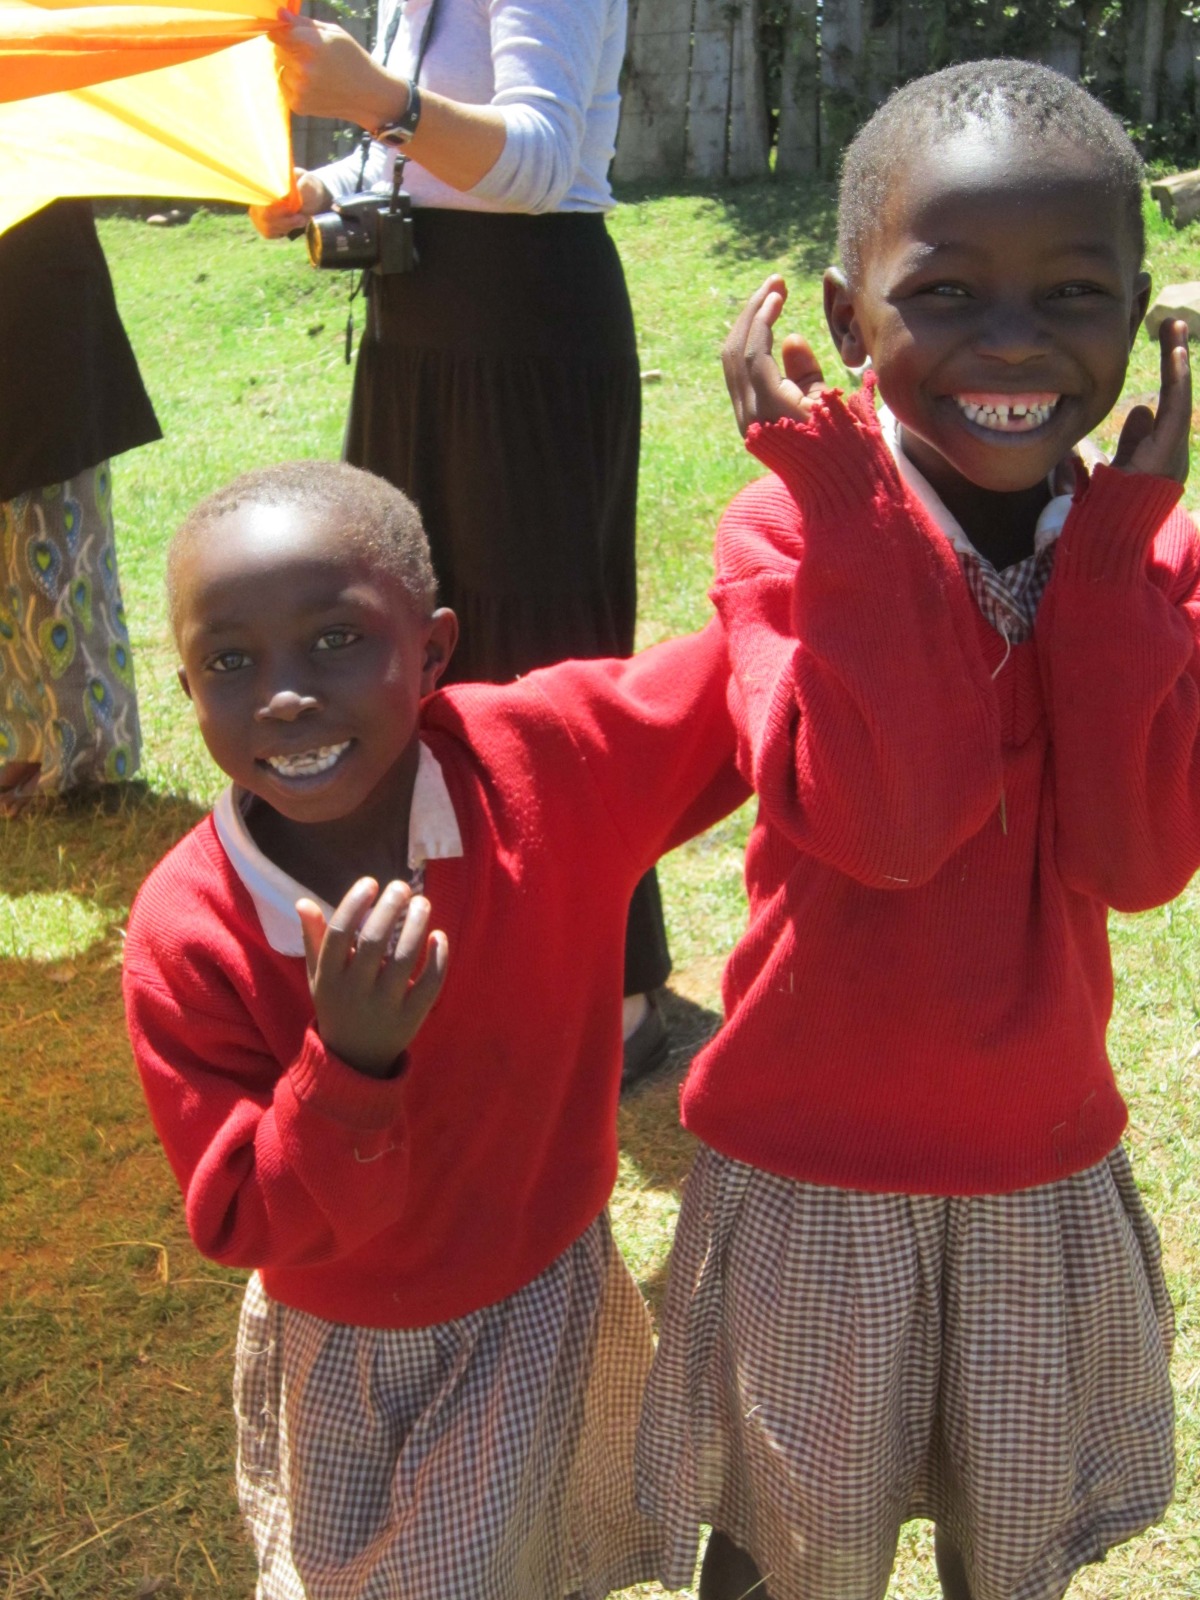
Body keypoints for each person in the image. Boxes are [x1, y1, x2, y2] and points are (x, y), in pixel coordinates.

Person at [635, 59, 1198, 1600]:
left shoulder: (1145, 550)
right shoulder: (783, 534)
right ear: (842, 316)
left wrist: (1123, 560)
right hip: (819, 1169)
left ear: (1142, 308)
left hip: (1033, 1157)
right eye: (945, 293)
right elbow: (890, 826)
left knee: (1002, 1552)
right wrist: (840, 501)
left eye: (1075, 289)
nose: (1014, 342)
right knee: (786, 1553)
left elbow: (1137, 863)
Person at [121, 459, 745, 1599]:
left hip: (549, 1294)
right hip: (354, 1350)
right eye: (230, 662)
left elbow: (729, 691)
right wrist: (347, 1067)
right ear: (188, 691)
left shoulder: (538, 764)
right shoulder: (188, 928)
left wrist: (845, 488)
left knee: (546, 1565)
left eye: (335, 641)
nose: (285, 696)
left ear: (434, 650)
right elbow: (242, 1215)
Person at [250, 0, 671, 1080]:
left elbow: (535, 159)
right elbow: (420, 161)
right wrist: (328, 187)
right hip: (418, 319)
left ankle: (608, 994)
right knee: (405, 634)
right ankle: (475, 953)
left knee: (540, 662)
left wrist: (374, 98)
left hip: (524, 325)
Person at [0, 199, 160, 813]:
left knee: (58, 545)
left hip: (36, 290)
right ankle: (30, 738)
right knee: (11, 554)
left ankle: (90, 759)